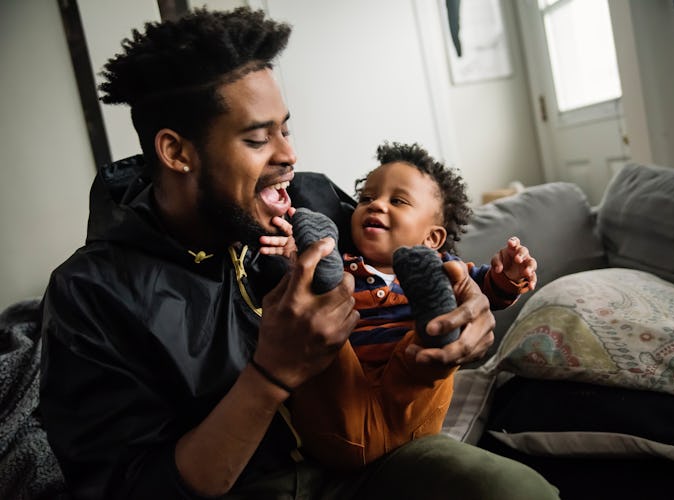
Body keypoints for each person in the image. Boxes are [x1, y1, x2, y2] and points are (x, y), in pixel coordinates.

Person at [38, 7, 559, 500]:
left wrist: (470, 317)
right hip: (242, 488)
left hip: (368, 463)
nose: (290, 155)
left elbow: (407, 273)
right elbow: (134, 488)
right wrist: (269, 375)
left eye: (285, 128)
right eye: (258, 139)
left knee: (507, 490)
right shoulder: (92, 294)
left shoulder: (314, 199)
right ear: (177, 152)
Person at [262, 141, 537, 469]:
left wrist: (509, 275)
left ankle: (435, 331)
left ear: (432, 239)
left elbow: (489, 292)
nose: (375, 205)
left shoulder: (443, 269)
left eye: (397, 201)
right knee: (325, 326)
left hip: (410, 401)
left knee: (429, 349)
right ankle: (321, 262)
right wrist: (301, 258)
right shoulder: (345, 264)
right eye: (366, 198)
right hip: (344, 395)